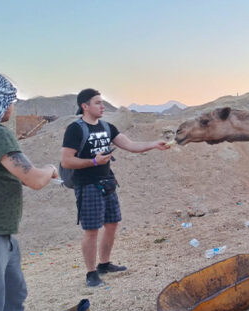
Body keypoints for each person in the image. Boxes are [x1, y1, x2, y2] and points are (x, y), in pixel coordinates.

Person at [61, 88, 170, 287]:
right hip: (87, 186)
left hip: (107, 182)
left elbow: (131, 145)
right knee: (92, 230)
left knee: (112, 224)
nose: (102, 106)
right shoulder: (75, 129)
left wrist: (154, 144)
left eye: (102, 102)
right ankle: (91, 273)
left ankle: (104, 264)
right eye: (97, 103)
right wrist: (94, 162)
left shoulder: (107, 127)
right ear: (84, 106)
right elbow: (67, 161)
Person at [0, 73, 59, 311]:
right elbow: (32, 179)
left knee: (13, 296)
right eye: (10, 100)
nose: (12, 107)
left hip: (5, 234)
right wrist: (50, 169)